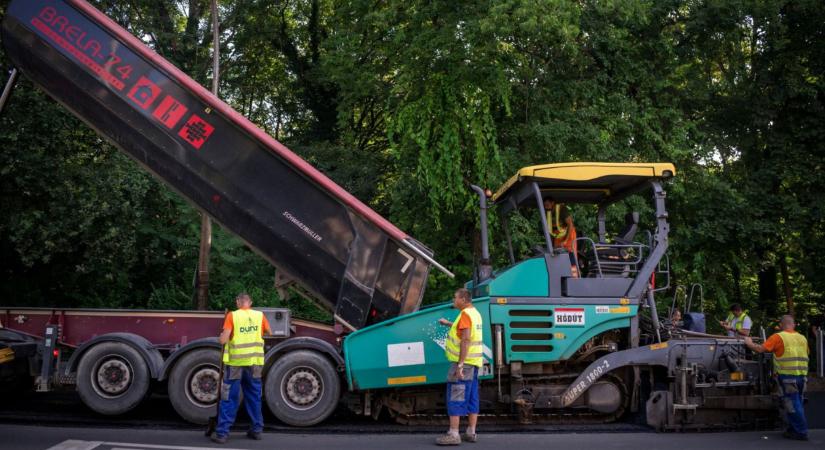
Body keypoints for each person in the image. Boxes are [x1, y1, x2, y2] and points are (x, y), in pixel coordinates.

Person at [211, 293, 272, 444]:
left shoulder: (233, 316)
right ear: (250, 302)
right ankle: (256, 430)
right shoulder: (260, 316)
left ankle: (222, 434)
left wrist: (221, 337)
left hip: (236, 364)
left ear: (238, 302)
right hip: (254, 363)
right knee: (254, 397)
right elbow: (269, 332)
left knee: (229, 397)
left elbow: (224, 339)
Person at [744, 315, 809, 441]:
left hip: (788, 377)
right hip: (802, 376)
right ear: (793, 325)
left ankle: (801, 432)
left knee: (792, 404)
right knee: (797, 403)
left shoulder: (778, 337)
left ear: (780, 326)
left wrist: (749, 343)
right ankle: (793, 429)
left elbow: (760, 349)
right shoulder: (802, 338)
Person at [436, 288, 483, 445]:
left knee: (456, 396)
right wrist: (448, 323)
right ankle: (471, 432)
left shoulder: (464, 315)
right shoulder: (474, 313)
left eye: (455, 297)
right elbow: (463, 331)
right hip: (474, 364)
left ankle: (454, 434)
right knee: (471, 397)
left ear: (463, 299)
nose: (453, 300)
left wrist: (460, 365)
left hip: (464, 363)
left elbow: (466, 340)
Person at [544, 198, 578, 277]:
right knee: (557, 255)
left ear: (552, 203)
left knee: (569, 254)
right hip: (558, 236)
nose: (546, 207)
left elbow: (570, 224)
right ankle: (561, 276)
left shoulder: (561, 210)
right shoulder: (547, 212)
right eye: (545, 205)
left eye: (547, 205)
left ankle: (574, 277)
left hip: (568, 236)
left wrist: (566, 240)